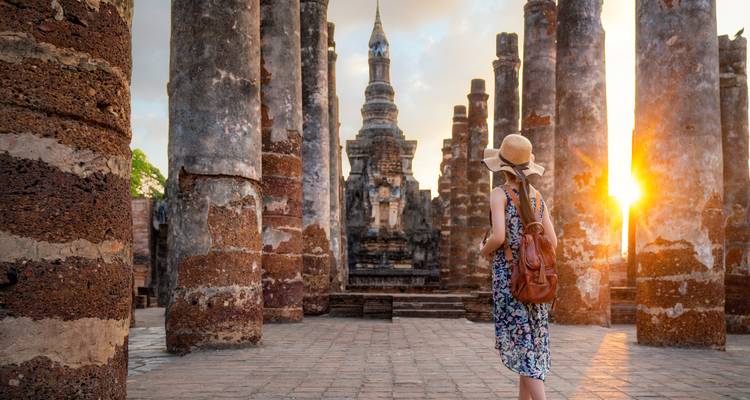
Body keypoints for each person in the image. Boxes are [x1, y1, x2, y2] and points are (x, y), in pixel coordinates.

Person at [479, 134, 557, 400]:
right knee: (530, 345)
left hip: (509, 275)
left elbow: (498, 237)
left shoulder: (499, 194)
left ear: (503, 167)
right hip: (535, 278)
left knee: (524, 350)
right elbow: (553, 242)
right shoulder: (537, 198)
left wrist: (483, 250)